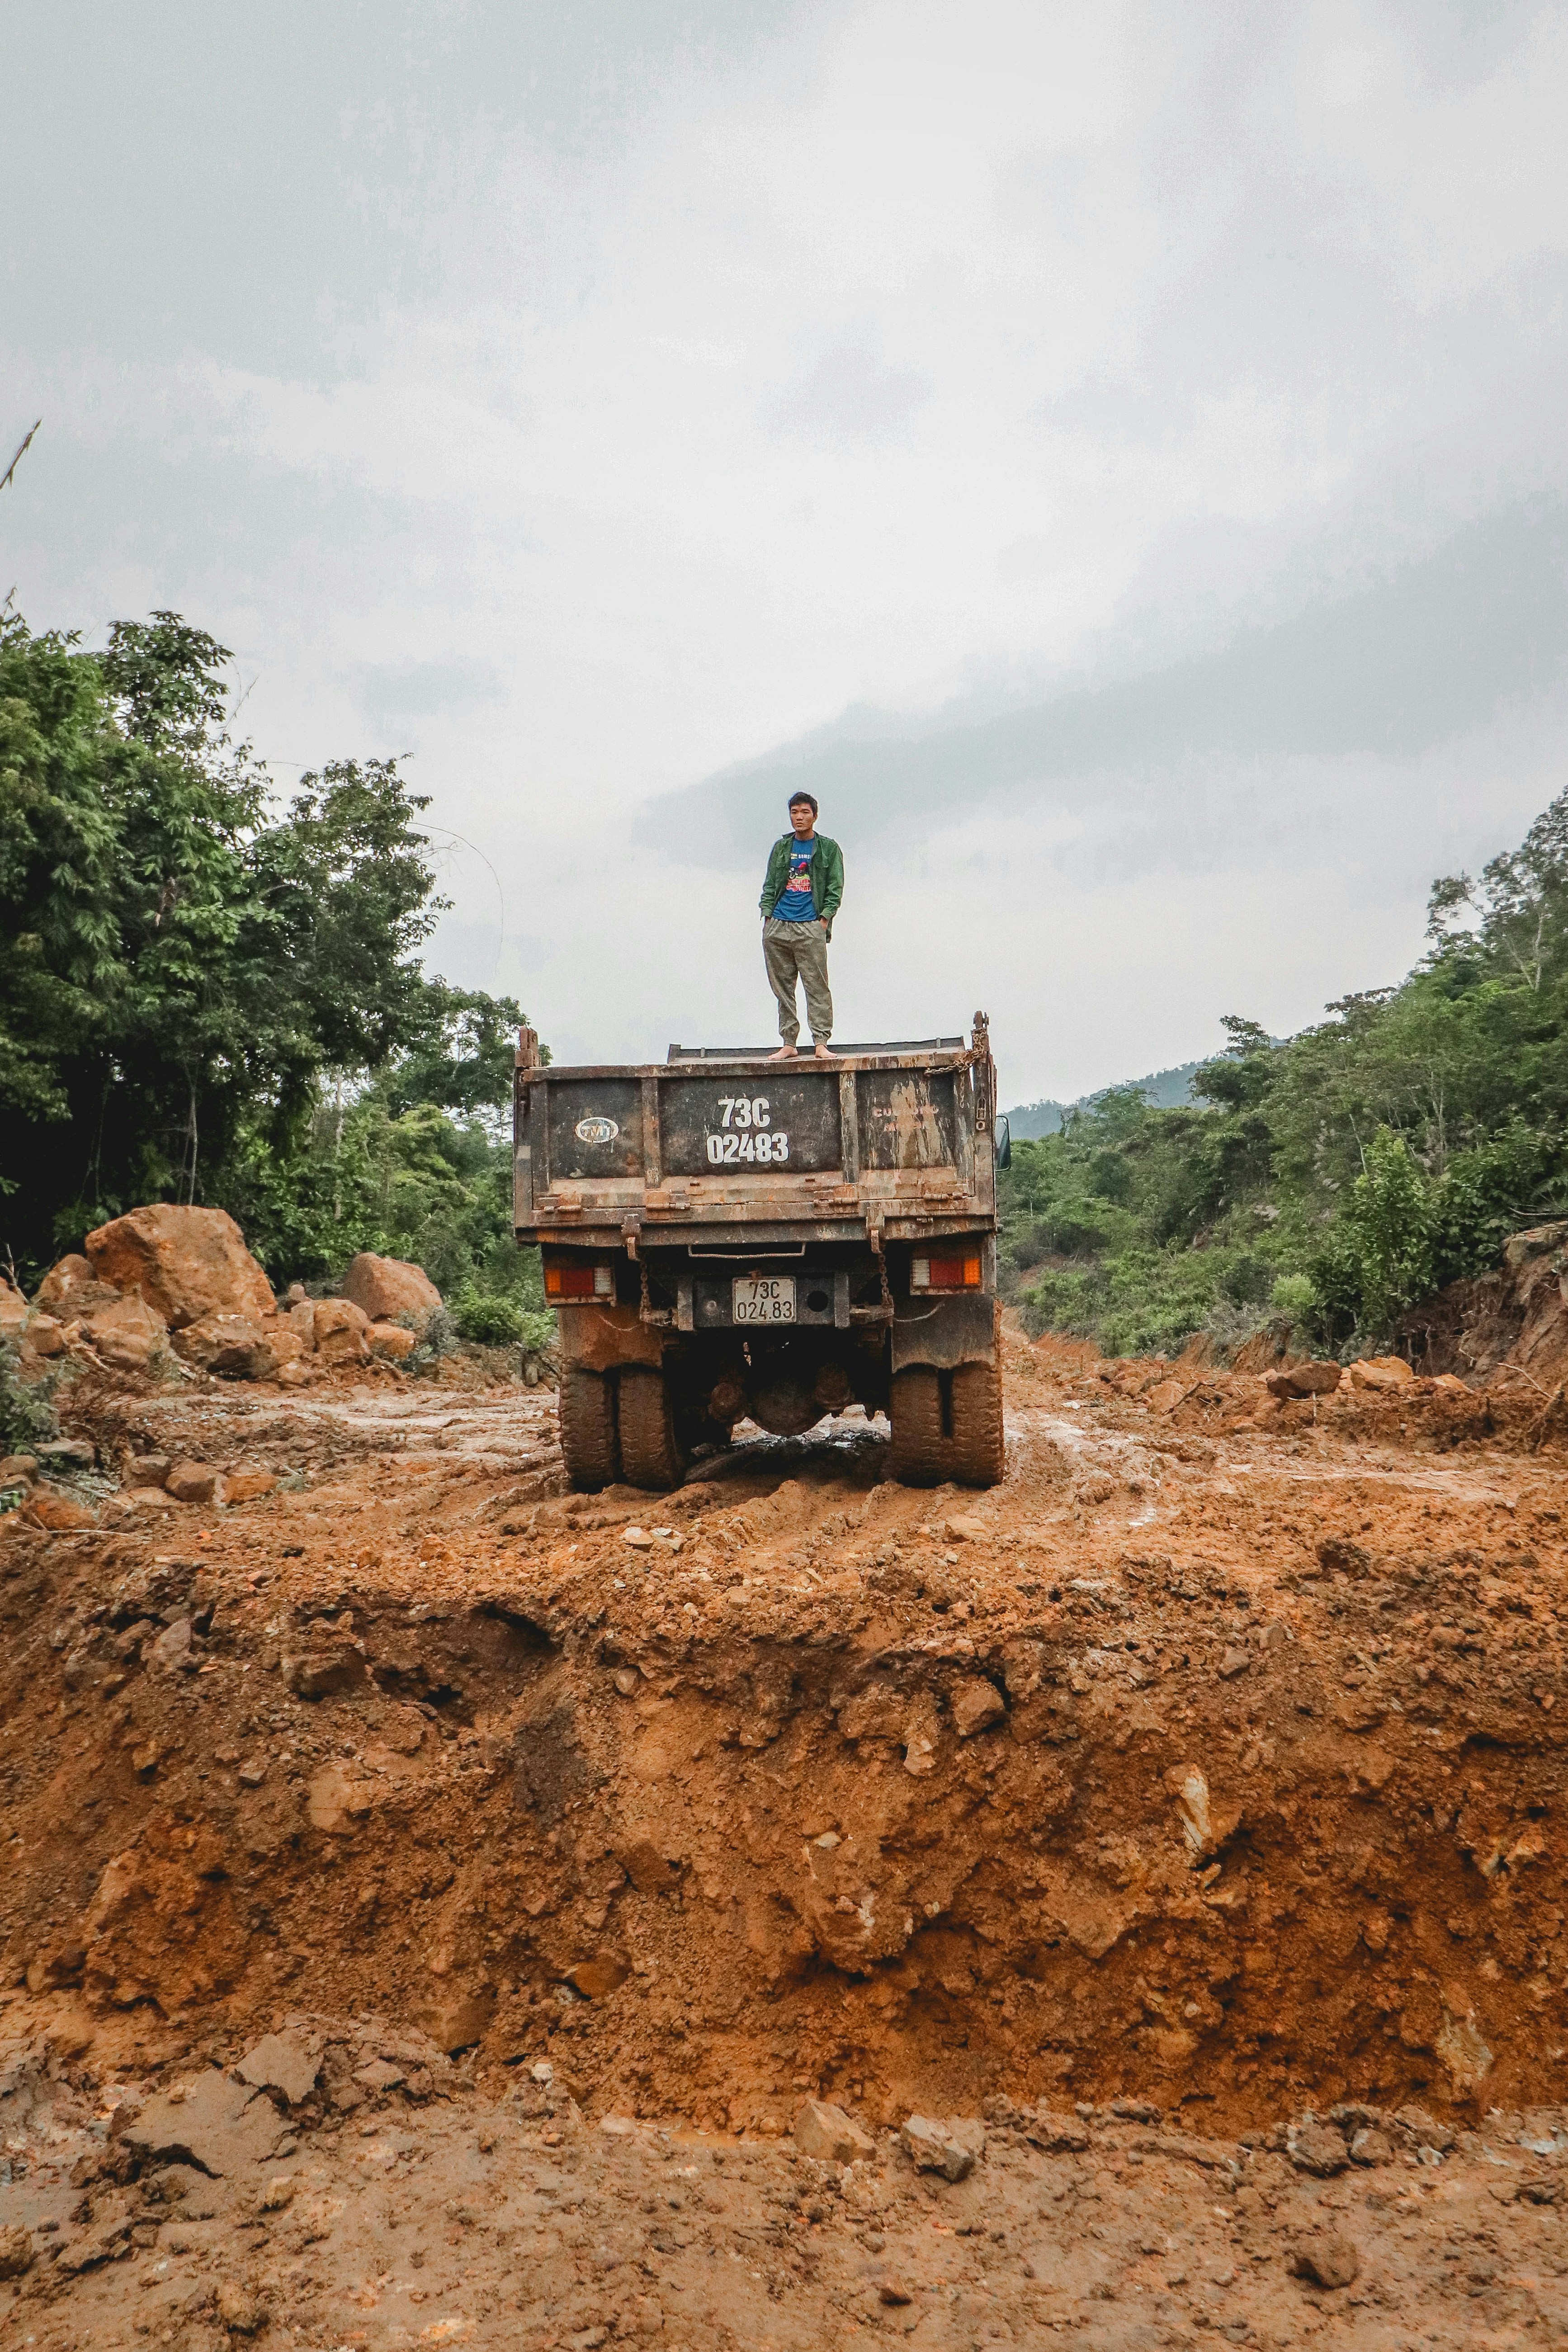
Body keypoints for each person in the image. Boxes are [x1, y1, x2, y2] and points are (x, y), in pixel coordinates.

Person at [759, 793, 843, 1059]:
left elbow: (835, 887)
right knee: (782, 987)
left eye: (805, 812)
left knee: (817, 985)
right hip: (778, 925)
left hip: (810, 925)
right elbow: (771, 883)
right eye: (795, 812)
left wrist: (824, 919)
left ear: (815, 816)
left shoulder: (828, 848)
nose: (800, 817)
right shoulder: (782, 848)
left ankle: (821, 1043)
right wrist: (767, 915)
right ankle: (789, 1043)